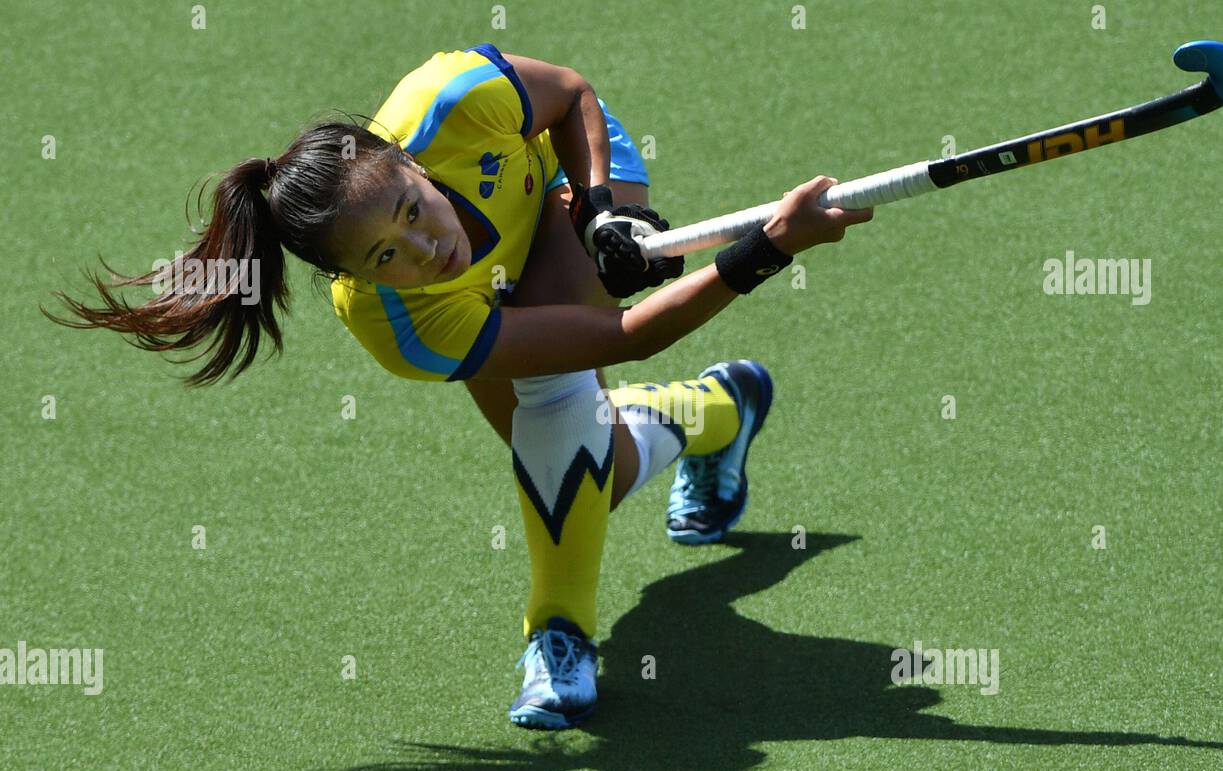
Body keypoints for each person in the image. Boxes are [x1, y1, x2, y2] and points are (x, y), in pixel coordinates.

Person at [44, 44, 875, 729]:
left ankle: (559, 637)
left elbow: (572, 94)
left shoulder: (450, 99)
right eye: (384, 257)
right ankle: (719, 408)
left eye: (410, 207)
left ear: (407, 160)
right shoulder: (399, 325)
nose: (422, 247)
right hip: (489, 297)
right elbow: (630, 333)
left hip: (562, 173)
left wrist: (598, 214)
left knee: (555, 401)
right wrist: (769, 246)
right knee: (595, 468)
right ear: (354, 278)